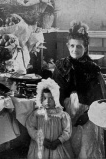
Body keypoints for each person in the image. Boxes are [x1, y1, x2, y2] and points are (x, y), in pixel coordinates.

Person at [52, 21, 106, 158]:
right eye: (72, 45)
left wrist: (87, 115)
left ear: (85, 48)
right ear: (67, 46)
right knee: (67, 143)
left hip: (88, 113)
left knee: (86, 146)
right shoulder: (61, 66)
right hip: (66, 111)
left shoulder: (92, 69)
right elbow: (56, 91)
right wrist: (61, 114)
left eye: (79, 46)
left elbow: (98, 98)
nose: (75, 49)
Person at [26, 78, 72, 159]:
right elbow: (30, 127)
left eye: (51, 98)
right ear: (40, 98)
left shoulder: (62, 115)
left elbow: (67, 131)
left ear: (56, 99)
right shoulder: (37, 114)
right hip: (41, 145)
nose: (47, 101)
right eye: (44, 98)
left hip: (56, 145)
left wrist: (58, 141)